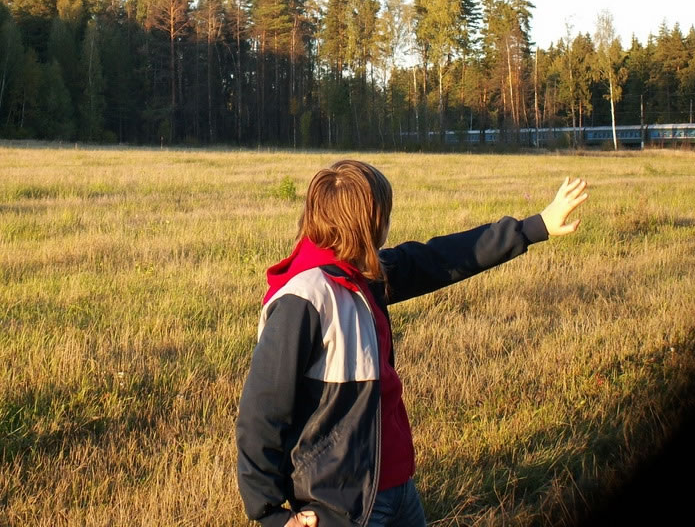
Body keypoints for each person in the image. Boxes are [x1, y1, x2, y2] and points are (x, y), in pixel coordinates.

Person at [236, 160, 588, 527]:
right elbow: (260, 412)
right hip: (344, 506)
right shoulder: (305, 299)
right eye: (384, 213)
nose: (389, 223)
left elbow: (438, 258)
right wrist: (272, 514)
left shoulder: (360, 274)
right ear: (369, 223)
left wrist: (536, 227)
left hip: (397, 487)